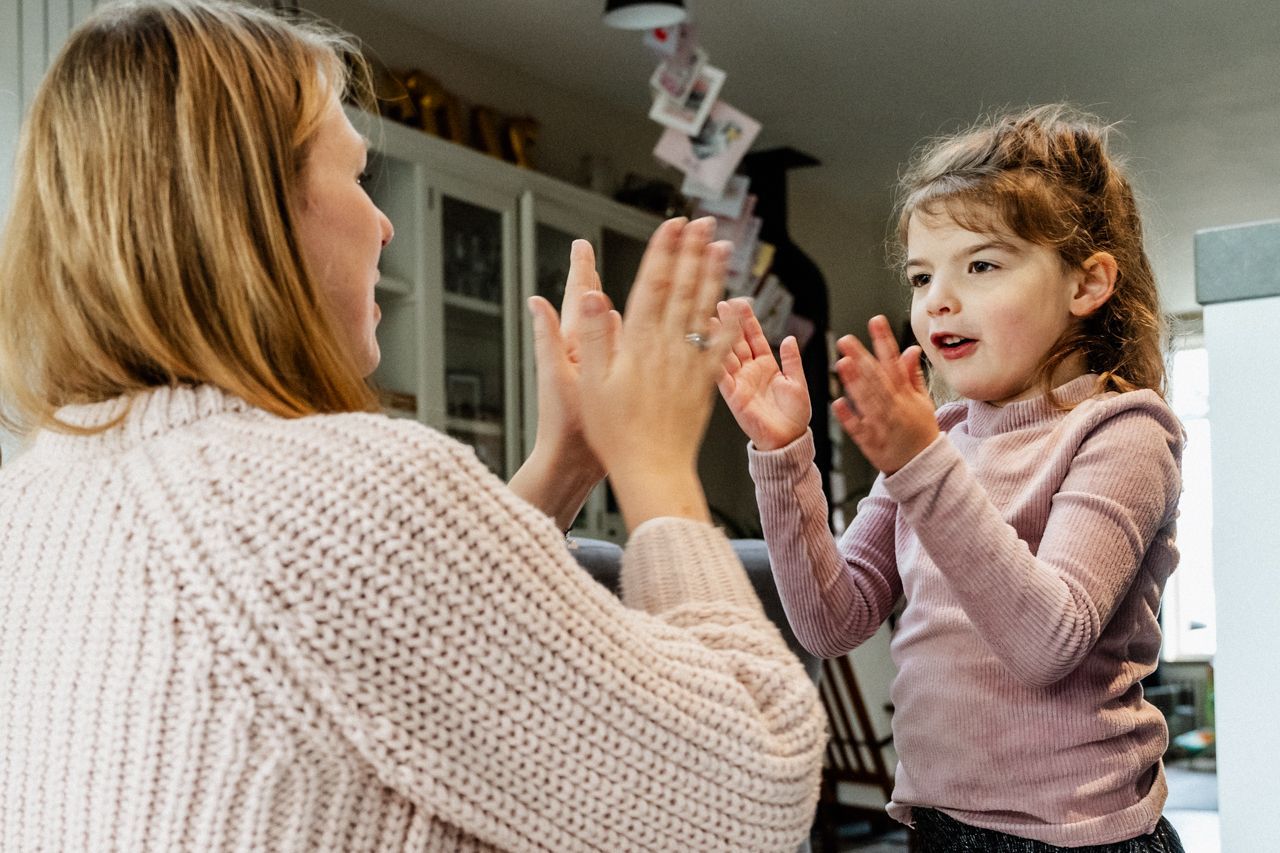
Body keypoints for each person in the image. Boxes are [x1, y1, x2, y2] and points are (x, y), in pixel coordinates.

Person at [0, 2, 826, 850]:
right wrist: (653, 463)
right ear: (252, 209)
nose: (384, 220)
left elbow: (378, 655)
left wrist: (568, 464)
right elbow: (750, 798)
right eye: (356, 176)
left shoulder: (31, 502)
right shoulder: (339, 496)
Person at [715, 105, 1187, 851]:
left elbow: (1048, 641)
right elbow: (831, 620)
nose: (937, 298)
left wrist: (920, 468)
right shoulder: (940, 437)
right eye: (921, 274)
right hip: (939, 826)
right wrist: (783, 455)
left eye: (982, 264)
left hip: (1080, 838)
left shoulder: (1122, 430)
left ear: (1088, 282)